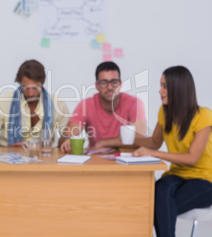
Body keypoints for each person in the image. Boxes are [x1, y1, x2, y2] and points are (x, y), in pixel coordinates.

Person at [130, 66, 212, 237]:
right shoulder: (164, 112)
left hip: (205, 179)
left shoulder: (204, 115)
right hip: (176, 175)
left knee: (160, 207)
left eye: (165, 86)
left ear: (179, 88)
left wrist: (155, 154)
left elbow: (192, 158)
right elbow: (154, 142)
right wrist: (130, 138)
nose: (160, 91)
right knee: (159, 190)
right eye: (161, 85)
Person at [60, 61, 147, 153]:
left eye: (114, 82)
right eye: (104, 82)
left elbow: (139, 138)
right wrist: (68, 140)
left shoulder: (134, 103)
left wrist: (103, 143)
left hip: (127, 160)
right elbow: (67, 135)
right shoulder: (86, 105)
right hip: (96, 161)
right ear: (96, 85)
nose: (110, 87)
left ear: (120, 84)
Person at [0, 59, 69, 147]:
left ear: (42, 84)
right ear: (20, 84)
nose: (30, 93)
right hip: (9, 158)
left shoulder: (58, 103)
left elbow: (67, 137)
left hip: (45, 157)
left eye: (35, 88)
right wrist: (8, 150)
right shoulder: (4, 102)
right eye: (26, 88)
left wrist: (65, 140)